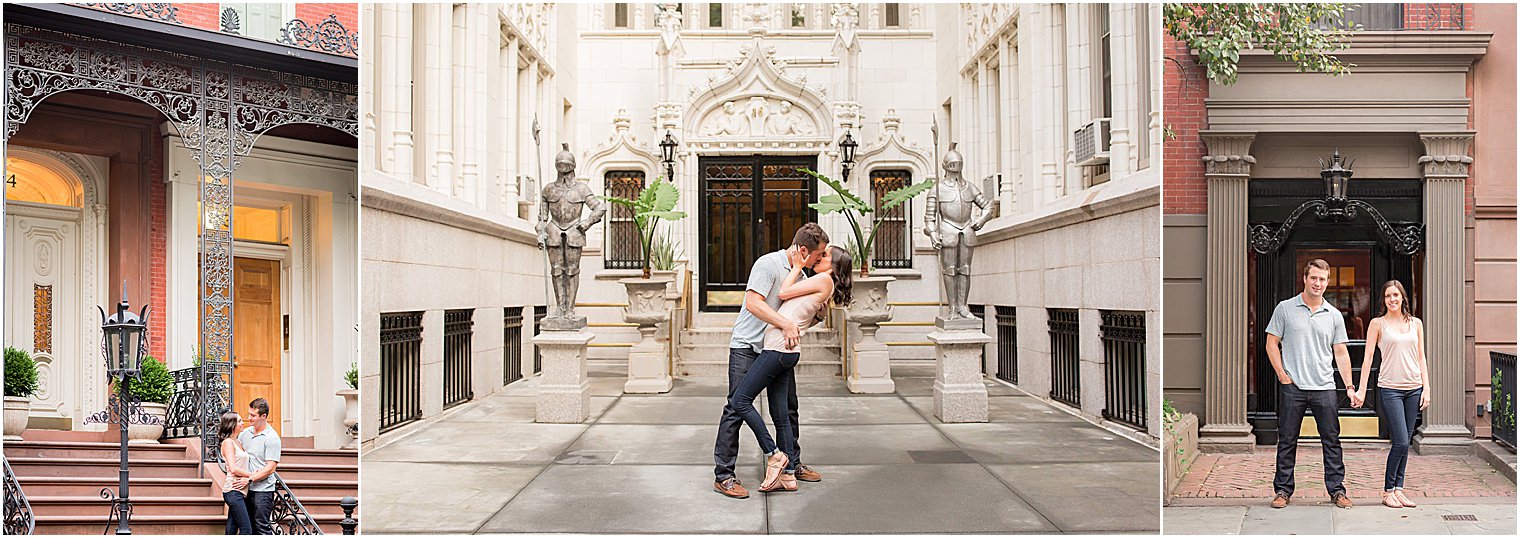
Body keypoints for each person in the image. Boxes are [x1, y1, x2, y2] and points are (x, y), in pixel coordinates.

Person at [713, 223, 829, 499]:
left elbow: (796, 320)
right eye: (818, 255)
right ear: (803, 250)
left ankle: (791, 463)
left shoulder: (801, 278)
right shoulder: (768, 264)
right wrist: (785, 325)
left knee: (788, 409)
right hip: (747, 346)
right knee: (735, 408)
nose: (819, 260)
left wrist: (816, 318)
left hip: (775, 350)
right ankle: (724, 476)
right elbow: (754, 303)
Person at [730, 245, 853, 492]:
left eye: (825, 256)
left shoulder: (822, 279)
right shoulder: (820, 281)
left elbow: (784, 292)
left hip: (777, 350)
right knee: (781, 414)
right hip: (785, 351)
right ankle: (788, 476)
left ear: (834, 265)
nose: (819, 258)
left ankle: (774, 454)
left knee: (740, 401)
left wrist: (796, 266)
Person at [1265, 258, 1358, 510]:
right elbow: (1271, 343)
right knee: (1287, 440)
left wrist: (1349, 386)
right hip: (1293, 387)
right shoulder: (1285, 308)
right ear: (1304, 279)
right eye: (1313, 278)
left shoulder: (1334, 315)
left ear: (1328, 282)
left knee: (1331, 440)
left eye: (1322, 279)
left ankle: (1337, 491)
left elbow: (1340, 353)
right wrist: (1283, 375)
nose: (1317, 283)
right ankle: (1283, 491)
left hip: (1325, 387)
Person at [1353, 280, 1429, 509]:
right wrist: (1362, 389)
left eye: (1396, 295)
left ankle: (1399, 490)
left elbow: (1421, 357)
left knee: (1404, 442)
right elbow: (1367, 359)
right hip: (1391, 389)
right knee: (1401, 441)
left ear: (1403, 297)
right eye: (1388, 296)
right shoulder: (1378, 324)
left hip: (1414, 388)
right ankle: (1387, 491)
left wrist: (1427, 387)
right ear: (1383, 299)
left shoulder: (1416, 323)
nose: (1392, 299)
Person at [239, 398, 282, 534]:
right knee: (247, 527)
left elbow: (271, 468)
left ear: (264, 416)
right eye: (249, 414)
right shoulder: (245, 433)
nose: (249, 418)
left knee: (261, 527)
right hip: (245, 489)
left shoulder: (272, 438)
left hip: (262, 491)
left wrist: (250, 478)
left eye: (253, 415)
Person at [218, 412, 254, 535]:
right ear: (232, 424)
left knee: (232, 528)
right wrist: (252, 475)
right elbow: (233, 469)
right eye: (239, 421)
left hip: (240, 491)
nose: (242, 422)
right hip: (233, 490)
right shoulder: (228, 442)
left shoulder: (237, 442)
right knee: (246, 530)